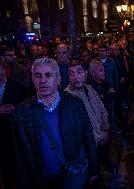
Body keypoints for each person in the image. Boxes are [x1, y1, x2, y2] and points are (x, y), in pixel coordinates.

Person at [11, 57, 97, 189]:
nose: (43, 80)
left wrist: (93, 169)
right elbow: (18, 155)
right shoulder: (21, 113)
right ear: (33, 79)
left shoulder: (74, 103)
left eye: (48, 75)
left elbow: (88, 137)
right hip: (39, 180)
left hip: (73, 175)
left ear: (58, 79)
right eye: (37, 76)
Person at [0, 61, 29, 189]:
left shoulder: (18, 88)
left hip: (12, 139)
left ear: (4, 69)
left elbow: (26, 112)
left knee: (12, 172)